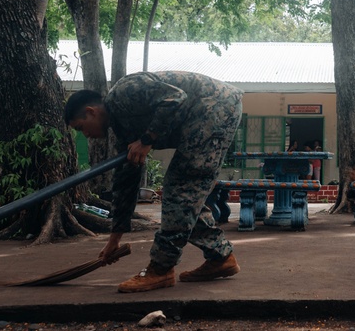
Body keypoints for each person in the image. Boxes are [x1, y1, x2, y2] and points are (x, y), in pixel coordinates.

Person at [64, 71, 243, 293]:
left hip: (214, 107)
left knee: (180, 190)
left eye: (81, 128)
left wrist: (147, 140)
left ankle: (161, 269)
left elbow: (175, 98)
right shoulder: (123, 129)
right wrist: (114, 239)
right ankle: (220, 257)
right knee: (183, 196)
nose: (86, 135)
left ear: (90, 112)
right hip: (205, 113)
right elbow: (126, 182)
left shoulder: (123, 93)